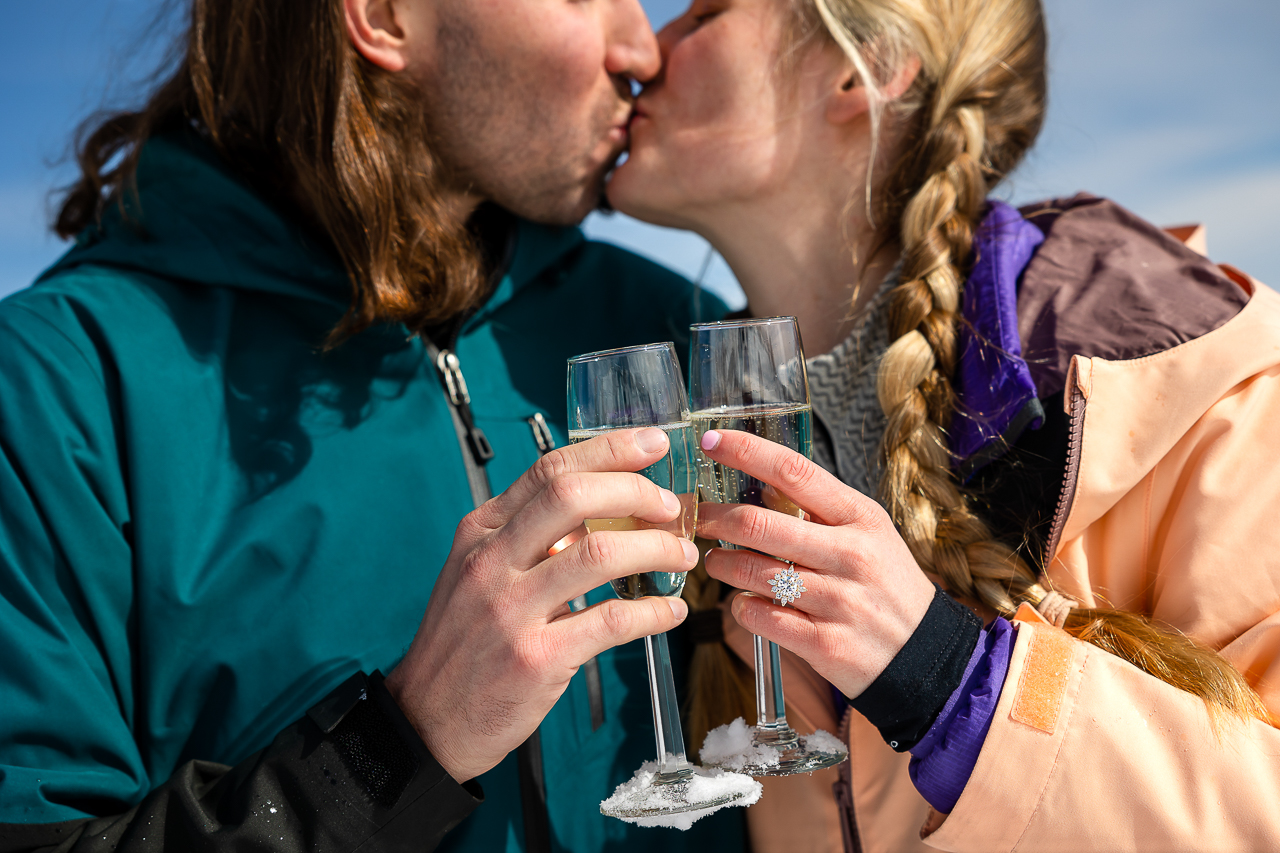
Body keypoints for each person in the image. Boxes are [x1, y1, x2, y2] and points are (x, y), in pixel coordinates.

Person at [0, 1, 743, 851]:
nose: (640, 46)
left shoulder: (664, 327)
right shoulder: (56, 382)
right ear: (385, 18)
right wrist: (398, 745)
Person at [608, 0, 1280, 850]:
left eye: (702, 13)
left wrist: (953, 684)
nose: (641, 47)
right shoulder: (710, 438)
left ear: (862, 71)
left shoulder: (1201, 382)